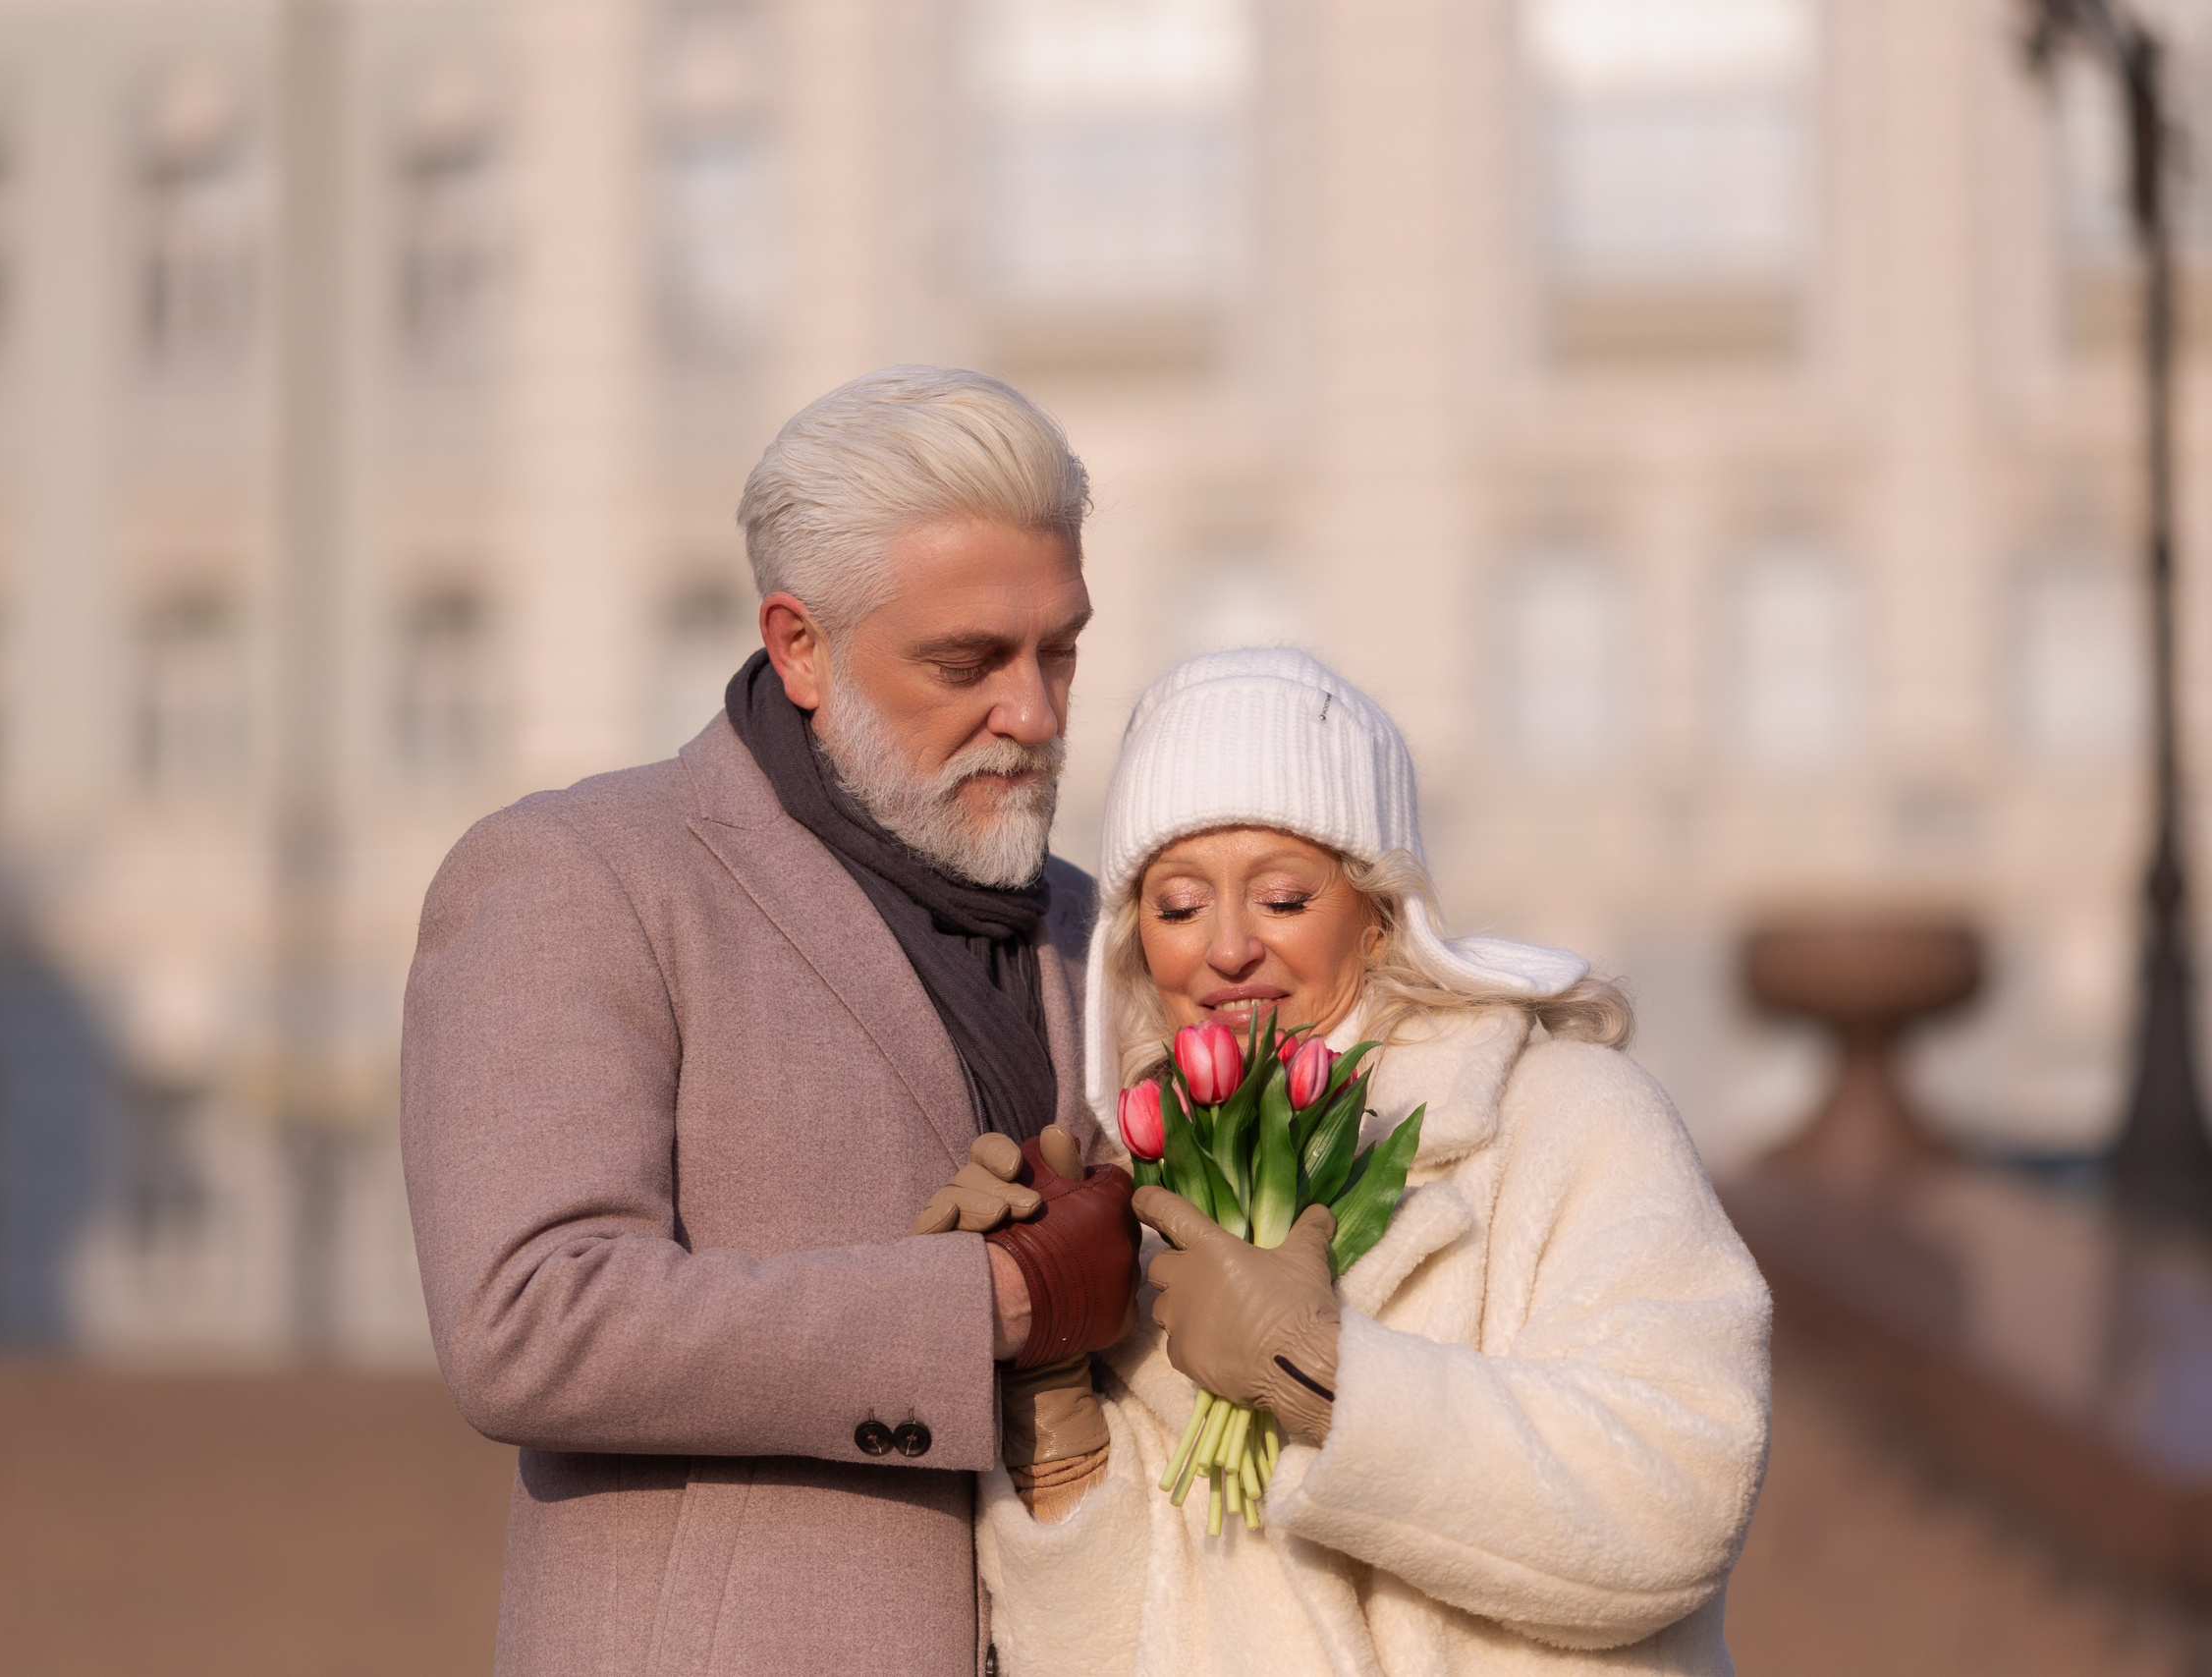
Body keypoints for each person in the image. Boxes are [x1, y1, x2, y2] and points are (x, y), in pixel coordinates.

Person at [400, 366, 1140, 1677]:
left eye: (1060, 647)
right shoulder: (578, 874)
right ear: (798, 643)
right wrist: (996, 1298)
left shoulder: (1104, 925)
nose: (1035, 713)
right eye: (967, 660)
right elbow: (527, 1319)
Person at [969, 646, 1773, 1676]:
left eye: (1283, 898)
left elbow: (1675, 1502)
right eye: (1177, 906)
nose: (1226, 949)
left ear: (1380, 918)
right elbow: (1099, 1652)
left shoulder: (1564, 1121)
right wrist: (1054, 1407)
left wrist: (1321, 1374)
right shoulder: (1133, 1202)